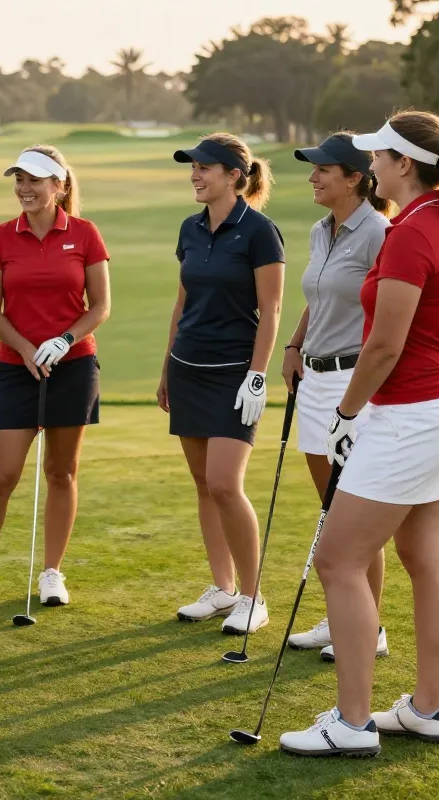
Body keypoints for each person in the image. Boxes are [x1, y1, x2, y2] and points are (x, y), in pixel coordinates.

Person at [280, 111, 439, 757]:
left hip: (410, 415)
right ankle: (427, 710)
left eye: (377, 157)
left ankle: (351, 723)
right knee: (427, 561)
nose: (370, 165)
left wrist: (345, 416)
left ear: (402, 163)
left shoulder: (411, 230)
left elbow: (383, 347)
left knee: (338, 560)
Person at [0, 145, 111, 612]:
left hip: (74, 365)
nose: (24, 188)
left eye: (34, 180)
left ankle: (51, 572)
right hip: (15, 368)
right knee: (0, 476)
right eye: (18, 179)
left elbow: (100, 306)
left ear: (59, 186)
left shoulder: (84, 234)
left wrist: (63, 340)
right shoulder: (0, 237)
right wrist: (25, 349)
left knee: (61, 473)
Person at [159, 134, 284, 635]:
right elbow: (183, 302)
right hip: (189, 367)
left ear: (234, 175)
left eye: (204, 167)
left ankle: (254, 597)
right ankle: (223, 587)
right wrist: (167, 367)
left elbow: (271, 309)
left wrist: (257, 374)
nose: (195, 174)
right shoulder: (190, 228)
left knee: (227, 485)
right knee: (203, 485)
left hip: (235, 375)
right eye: (192, 167)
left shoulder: (259, 231)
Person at [284, 133, 396, 662]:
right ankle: (342, 618)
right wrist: (294, 344)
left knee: (352, 516)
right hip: (313, 379)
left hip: (354, 383)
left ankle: (368, 630)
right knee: (330, 509)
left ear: (354, 178)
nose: (313, 176)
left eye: (322, 169)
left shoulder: (380, 233)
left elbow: (393, 310)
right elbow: (319, 296)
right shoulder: (318, 231)